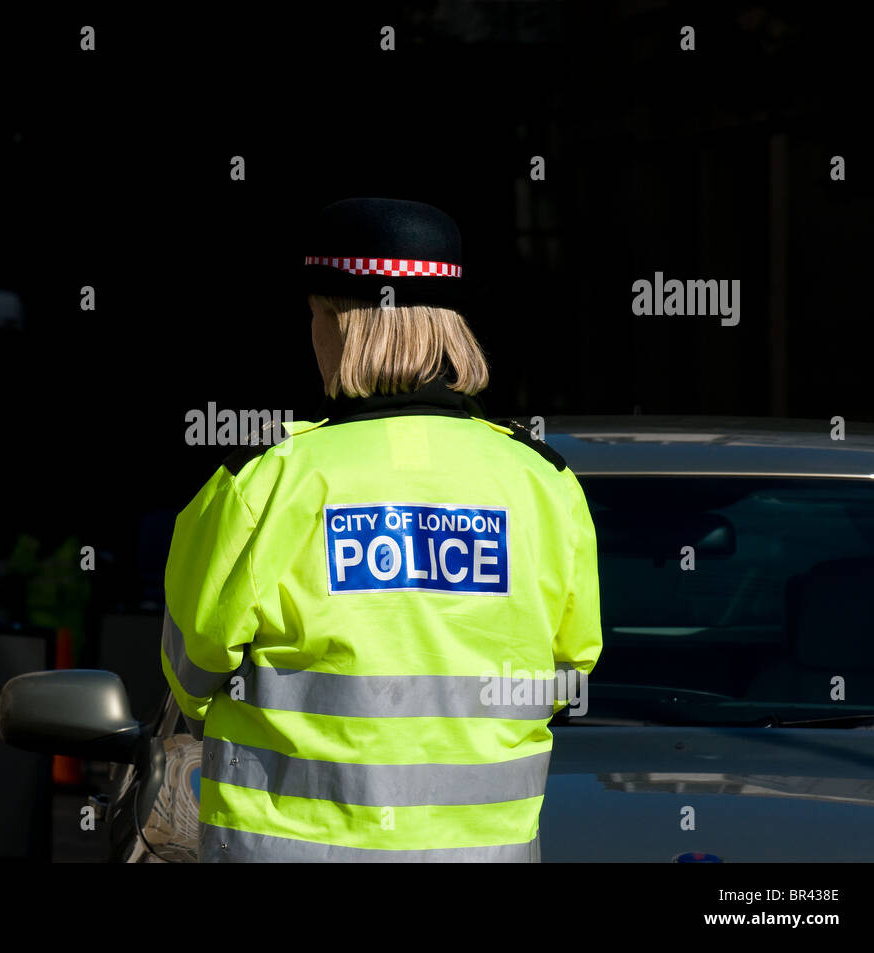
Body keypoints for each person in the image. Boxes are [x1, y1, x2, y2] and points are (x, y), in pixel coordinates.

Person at [160, 197, 603, 862]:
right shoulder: (544, 483)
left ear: (342, 324)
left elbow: (193, 666)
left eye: (314, 315)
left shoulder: (267, 479)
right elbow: (570, 669)